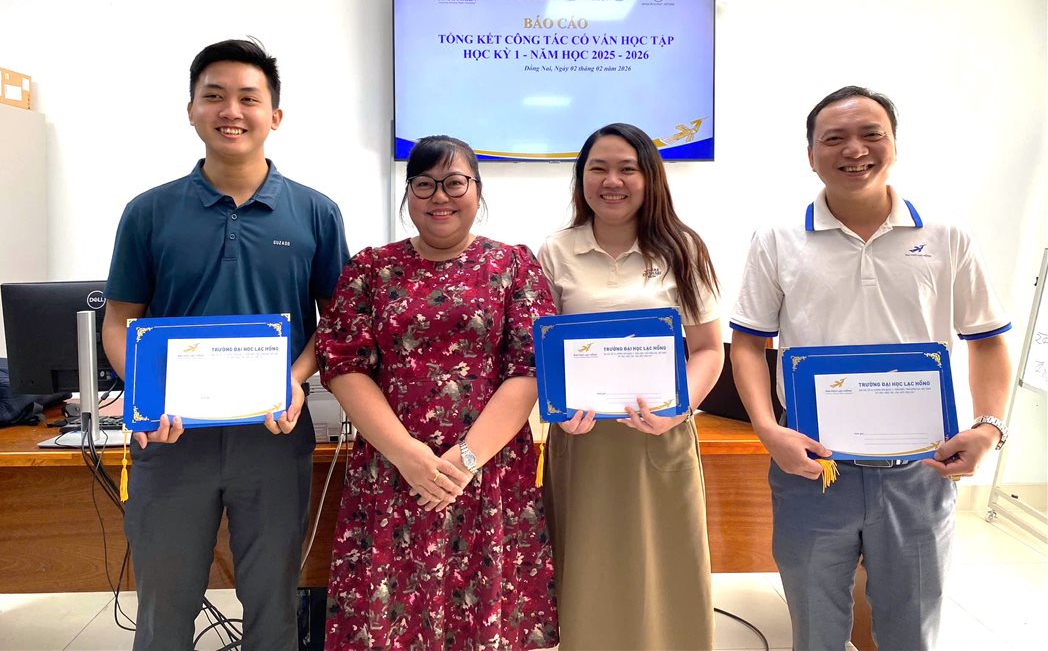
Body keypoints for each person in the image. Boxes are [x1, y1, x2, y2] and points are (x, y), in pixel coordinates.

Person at [730, 85, 1013, 651]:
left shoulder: (946, 237)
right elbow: (748, 345)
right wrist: (766, 430)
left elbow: (986, 340)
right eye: (834, 138)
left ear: (894, 145)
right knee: (814, 626)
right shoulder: (777, 239)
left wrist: (988, 428)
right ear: (811, 155)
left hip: (920, 469)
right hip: (813, 467)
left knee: (912, 626)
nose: (854, 150)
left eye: (871, 135)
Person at [101, 38, 349, 650]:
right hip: (172, 438)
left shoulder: (315, 213)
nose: (231, 111)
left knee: (273, 602)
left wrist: (294, 378)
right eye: (213, 96)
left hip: (273, 434)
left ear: (275, 115)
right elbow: (119, 320)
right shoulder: (148, 212)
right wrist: (145, 395)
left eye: (248, 98)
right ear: (191, 110)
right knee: (164, 607)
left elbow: (337, 322)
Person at [315, 135, 559, 650]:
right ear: (408, 193)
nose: (439, 196)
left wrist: (464, 461)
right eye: (424, 184)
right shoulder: (370, 268)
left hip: (488, 471)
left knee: (482, 615)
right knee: (391, 618)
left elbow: (530, 368)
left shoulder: (514, 265)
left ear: (478, 189)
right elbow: (343, 365)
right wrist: (408, 456)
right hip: (391, 470)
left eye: (454, 183)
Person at [537, 122, 724, 651]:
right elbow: (543, 349)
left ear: (650, 178)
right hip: (583, 439)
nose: (611, 181)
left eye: (627, 169)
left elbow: (708, 349)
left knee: (665, 567)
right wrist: (559, 409)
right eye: (598, 168)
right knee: (589, 567)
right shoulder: (555, 251)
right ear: (581, 179)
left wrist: (678, 408)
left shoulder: (684, 249)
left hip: (660, 436)